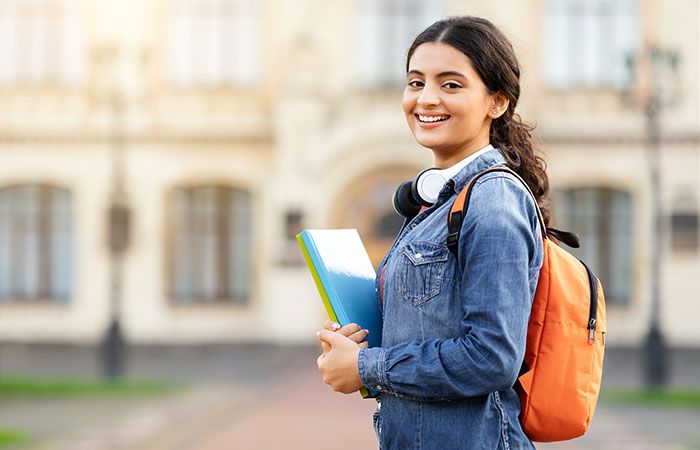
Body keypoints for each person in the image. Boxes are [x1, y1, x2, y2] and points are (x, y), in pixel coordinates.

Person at [315, 16, 549, 449]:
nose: (426, 99)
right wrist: (355, 343)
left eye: (451, 84)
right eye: (416, 82)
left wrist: (367, 366)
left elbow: (492, 356)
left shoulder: (493, 202)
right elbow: (429, 327)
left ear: (496, 101)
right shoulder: (436, 203)